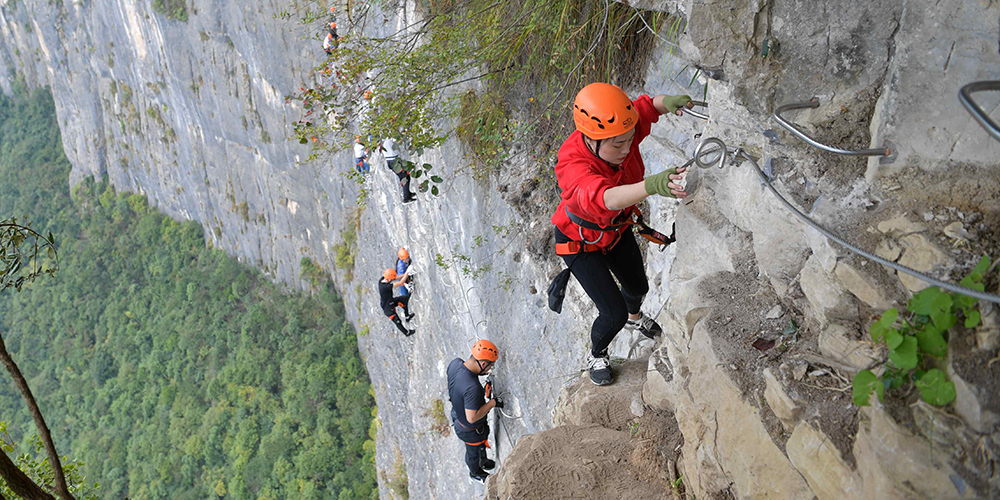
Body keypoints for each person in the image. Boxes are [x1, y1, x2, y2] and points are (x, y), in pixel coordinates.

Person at [550, 82, 691, 386]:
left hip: (614, 230)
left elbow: (648, 106)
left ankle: (635, 318)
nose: (627, 149)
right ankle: (598, 353)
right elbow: (604, 198)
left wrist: (670, 102)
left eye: (630, 140)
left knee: (638, 288)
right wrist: (652, 186)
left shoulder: (618, 133)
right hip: (580, 242)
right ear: (591, 138)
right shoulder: (573, 164)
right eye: (617, 145)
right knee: (611, 314)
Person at [447, 340, 502, 483]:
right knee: (472, 453)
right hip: (469, 429)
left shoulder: (455, 363)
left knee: (479, 447)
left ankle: (483, 460)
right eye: (490, 365)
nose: (489, 370)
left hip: (457, 413)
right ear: (483, 364)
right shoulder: (472, 387)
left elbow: (457, 385)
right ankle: (475, 472)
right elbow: (472, 418)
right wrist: (493, 403)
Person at [379, 268, 414, 336]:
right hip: (388, 309)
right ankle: (407, 333)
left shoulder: (382, 280)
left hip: (390, 302)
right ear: (388, 279)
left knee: (404, 299)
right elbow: (400, 283)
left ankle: (407, 316)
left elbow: (395, 278)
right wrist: (407, 273)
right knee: (398, 322)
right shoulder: (385, 287)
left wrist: (405, 274)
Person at [381, 138, 416, 203]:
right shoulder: (389, 140)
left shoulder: (385, 142)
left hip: (391, 162)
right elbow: (397, 140)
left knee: (405, 176)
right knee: (405, 177)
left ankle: (408, 193)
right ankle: (406, 198)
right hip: (395, 162)